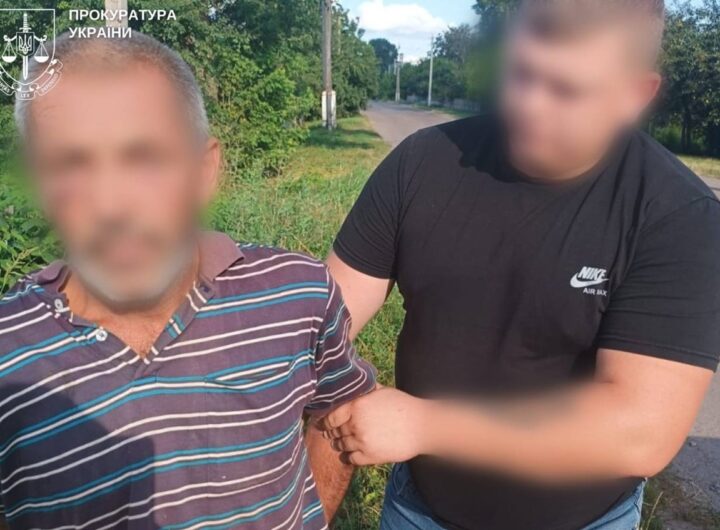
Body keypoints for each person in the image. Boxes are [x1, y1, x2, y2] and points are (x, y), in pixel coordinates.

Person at [320, 1, 720, 529]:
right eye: (521, 72)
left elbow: (640, 432)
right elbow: (322, 323)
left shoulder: (677, 217)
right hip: (420, 508)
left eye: (566, 89)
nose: (528, 105)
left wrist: (426, 425)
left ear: (635, 95)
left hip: (582, 519)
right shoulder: (422, 163)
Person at [0, 33, 375, 530]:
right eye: (70, 164)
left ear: (204, 170)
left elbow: (339, 414)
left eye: (145, 158)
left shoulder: (297, 295)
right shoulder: (11, 352)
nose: (111, 205)